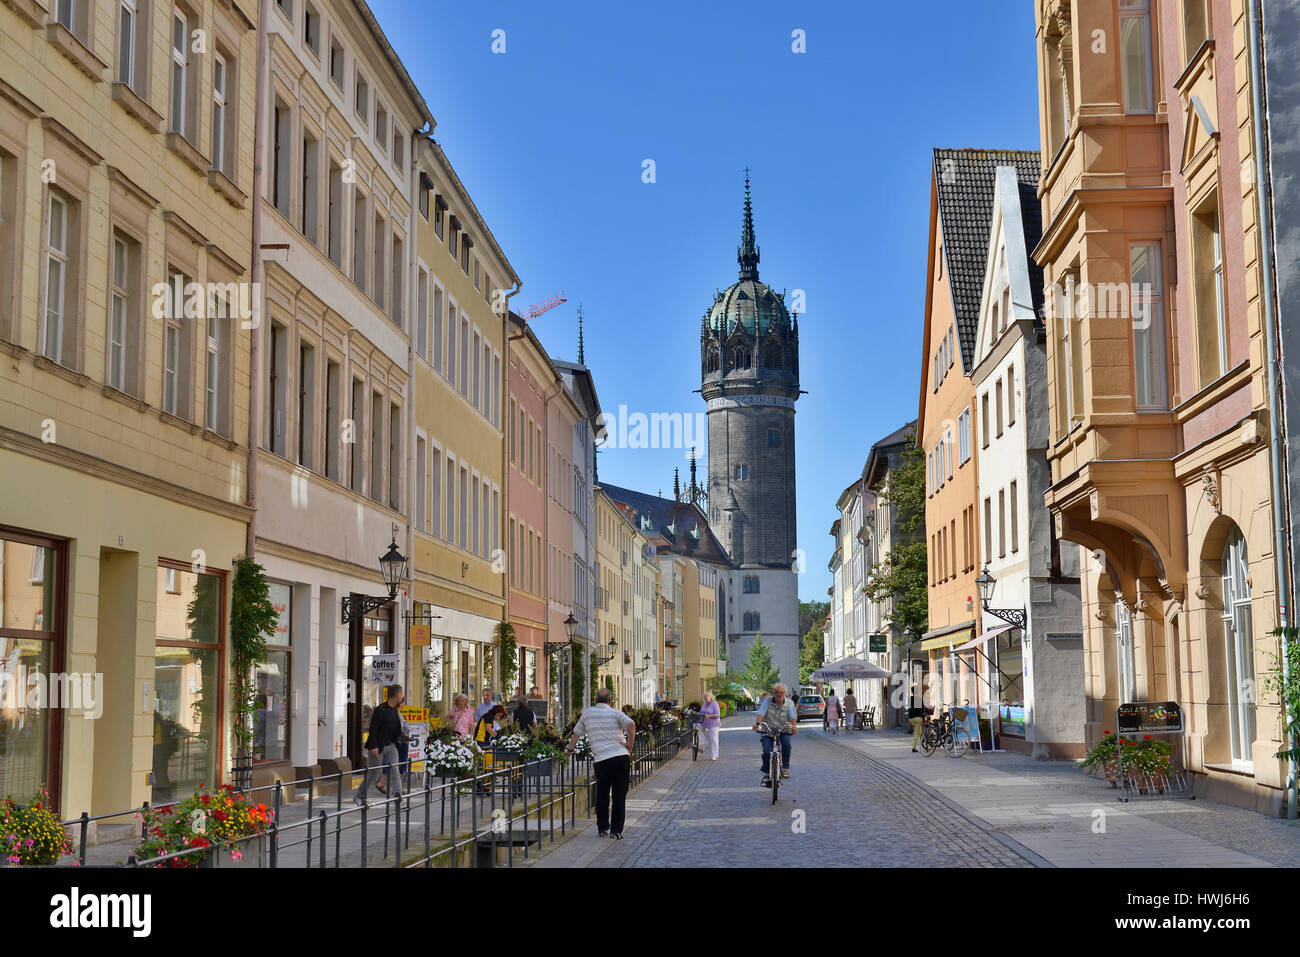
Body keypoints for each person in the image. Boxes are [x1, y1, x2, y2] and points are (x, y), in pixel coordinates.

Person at [567, 688, 635, 839]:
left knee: (602, 795)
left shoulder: (588, 713)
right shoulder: (615, 712)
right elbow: (631, 725)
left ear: (595, 700)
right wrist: (630, 744)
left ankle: (603, 827)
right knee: (619, 796)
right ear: (610, 701)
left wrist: (569, 750)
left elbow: (576, 734)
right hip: (620, 757)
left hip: (602, 760)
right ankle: (616, 831)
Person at [355, 684, 404, 805]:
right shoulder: (380, 710)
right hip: (378, 747)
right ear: (397, 695)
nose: (402, 697)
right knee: (374, 774)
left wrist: (403, 737)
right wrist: (373, 746)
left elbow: (395, 729)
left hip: (391, 746)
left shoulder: (394, 711)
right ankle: (359, 796)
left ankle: (398, 798)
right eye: (402, 694)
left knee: (395, 771)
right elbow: (373, 729)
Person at [752, 683, 797, 787]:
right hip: (768, 730)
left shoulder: (789, 703)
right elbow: (761, 715)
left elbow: (792, 717)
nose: (779, 694)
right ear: (773, 692)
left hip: (783, 729)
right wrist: (757, 725)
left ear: (785, 694)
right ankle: (767, 773)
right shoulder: (767, 702)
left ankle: (784, 768)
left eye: (781, 693)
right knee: (767, 752)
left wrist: (794, 727)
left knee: (786, 745)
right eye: (777, 692)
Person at [699, 692, 721, 760]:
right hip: (704, 722)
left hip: (713, 723)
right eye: (704, 698)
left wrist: (709, 716)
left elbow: (718, 715)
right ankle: (703, 741)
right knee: (696, 727)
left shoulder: (715, 704)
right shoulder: (704, 704)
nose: (705, 699)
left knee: (714, 739)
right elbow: (701, 712)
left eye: (706, 698)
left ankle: (714, 755)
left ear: (710, 697)